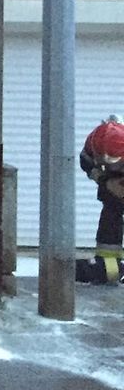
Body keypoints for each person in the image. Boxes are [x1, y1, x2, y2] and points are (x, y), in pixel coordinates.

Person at [75, 115, 124, 285]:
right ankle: (109, 265)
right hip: (110, 181)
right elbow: (86, 162)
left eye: (112, 160)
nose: (107, 162)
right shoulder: (95, 143)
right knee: (111, 212)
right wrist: (103, 180)